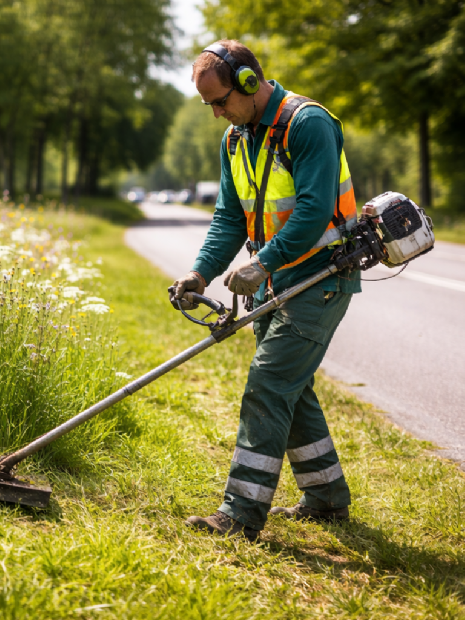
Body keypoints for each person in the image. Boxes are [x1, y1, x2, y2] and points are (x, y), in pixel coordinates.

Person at [170, 40, 360, 541]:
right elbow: (228, 219)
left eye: (220, 101)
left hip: (321, 278)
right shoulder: (237, 139)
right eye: (207, 104)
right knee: (292, 394)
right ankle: (326, 498)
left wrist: (262, 264)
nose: (215, 114)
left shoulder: (308, 124)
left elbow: (314, 210)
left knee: (268, 386)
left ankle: (241, 514)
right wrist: (199, 274)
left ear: (250, 83)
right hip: (275, 282)